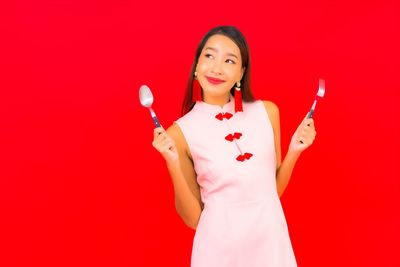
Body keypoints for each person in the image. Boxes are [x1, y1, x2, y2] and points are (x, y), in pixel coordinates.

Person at [152, 25, 316, 267]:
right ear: (196, 66)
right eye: (209, 56)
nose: (217, 68)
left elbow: (272, 191)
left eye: (229, 60)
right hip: (217, 251)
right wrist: (172, 163)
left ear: (241, 73)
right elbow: (193, 219)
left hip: (271, 246)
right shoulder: (179, 132)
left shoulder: (267, 112)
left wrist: (294, 151)